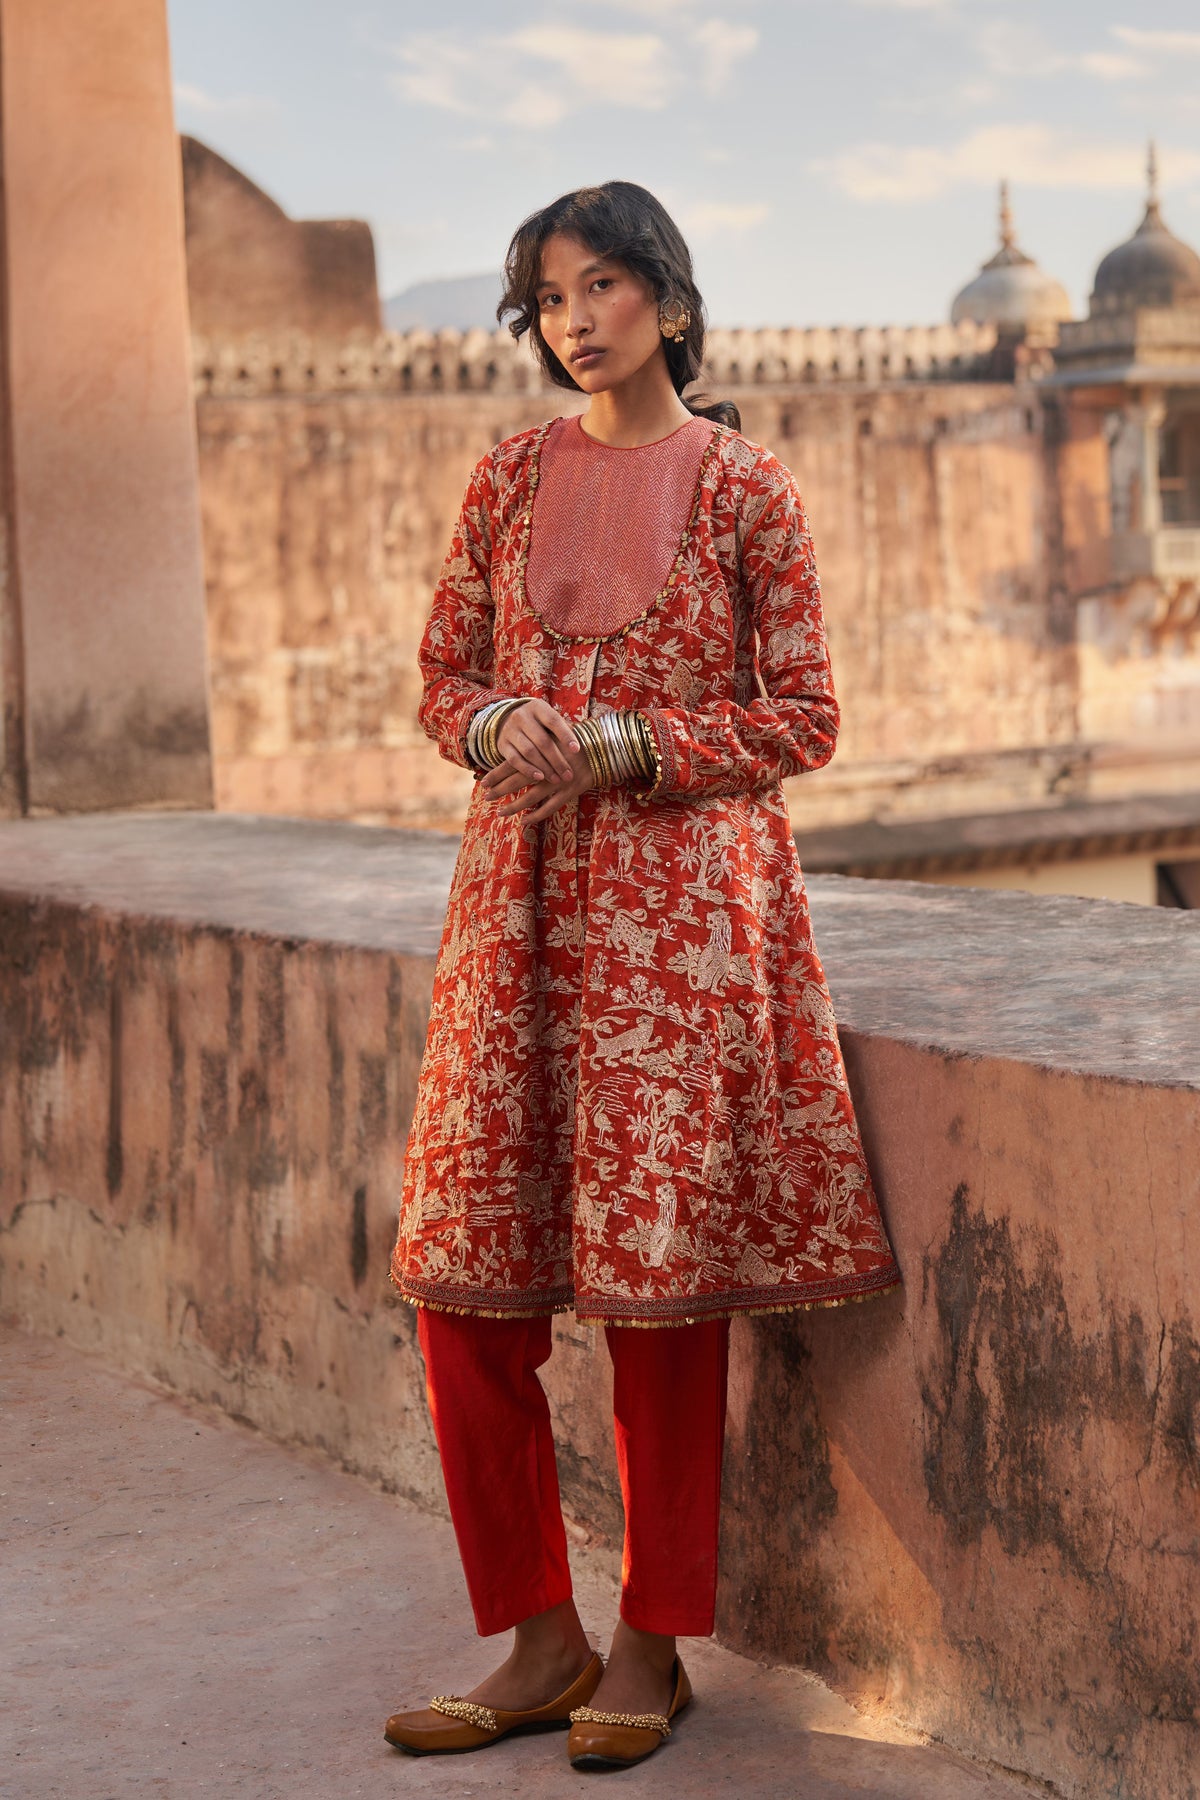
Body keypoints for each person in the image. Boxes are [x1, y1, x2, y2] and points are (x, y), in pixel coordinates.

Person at [383, 181, 900, 1772]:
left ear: (670, 303)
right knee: (462, 1283)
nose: (575, 317)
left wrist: (628, 742)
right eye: (549, 297)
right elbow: (441, 671)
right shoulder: (504, 478)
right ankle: (535, 1632)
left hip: (679, 934)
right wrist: (489, 724)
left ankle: (651, 1643)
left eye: (605, 286)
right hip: (518, 915)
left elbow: (803, 717)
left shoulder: (749, 491)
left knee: (657, 1297)